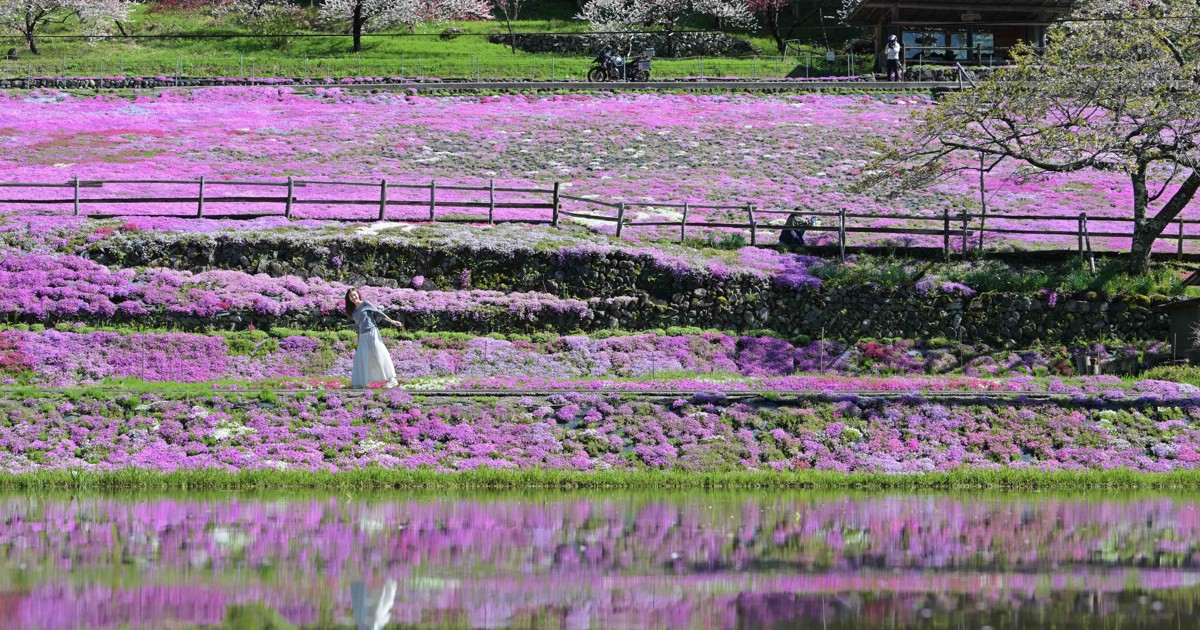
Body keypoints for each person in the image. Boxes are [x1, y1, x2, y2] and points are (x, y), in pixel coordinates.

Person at [345, 287, 400, 389]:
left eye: (354, 295)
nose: (353, 297)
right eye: (351, 296)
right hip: (363, 335)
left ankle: (392, 380)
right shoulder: (353, 312)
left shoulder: (366, 303)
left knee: (379, 353)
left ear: (358, 294)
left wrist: (392, 321)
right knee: (361, 357)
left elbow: (379, 313)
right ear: (349, 299)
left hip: (372, 332)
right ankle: (359, 383)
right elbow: (360, 325)